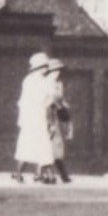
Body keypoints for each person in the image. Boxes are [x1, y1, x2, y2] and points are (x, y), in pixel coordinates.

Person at [12, 52, 54, 184]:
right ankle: (41, 173)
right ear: (40, 67)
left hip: (29, 118)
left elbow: (23, 102)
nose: (46, 69)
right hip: (37, 117)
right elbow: (50, 98)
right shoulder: (43, 81)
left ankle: (21, 173)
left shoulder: (28, 80)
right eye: (45, 66)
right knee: (42, 145)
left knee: (27, 145)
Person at [45, 58, 74, 184]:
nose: (57, 72)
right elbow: (48, 102)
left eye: (58, 70)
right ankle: (51, 175)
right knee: (48, 146)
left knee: (57, 146)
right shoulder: (46, 83)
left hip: (56, 115)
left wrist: (64, 107)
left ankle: (61, 174)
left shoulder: (58, 84)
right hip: (48, 115)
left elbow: (59, 99)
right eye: (55, 70)